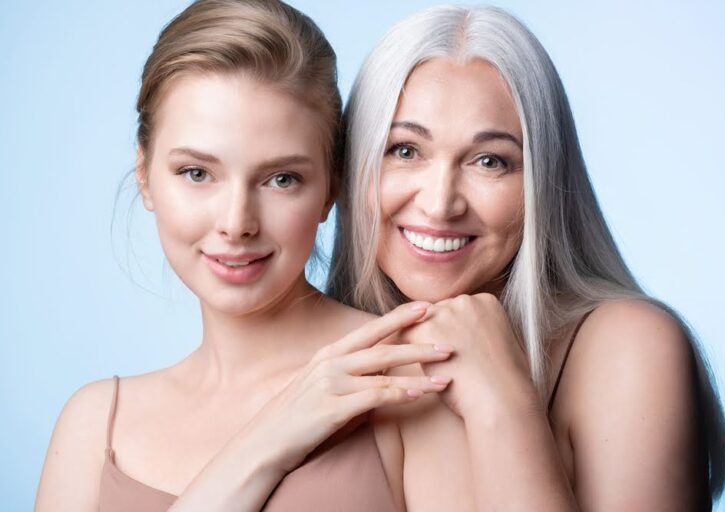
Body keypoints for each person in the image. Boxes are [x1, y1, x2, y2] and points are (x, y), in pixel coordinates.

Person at [35, 1, 455, 510]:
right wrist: (269, 440)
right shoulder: (94, 424)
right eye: (197, 173)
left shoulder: (405, 377)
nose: (237, 222)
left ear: (330, 190)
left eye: (282, 179)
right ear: (144, 175)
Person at [328, 5, 725, 511]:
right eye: (405, 150)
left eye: (490, 161)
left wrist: (504, 403)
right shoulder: (319, 349)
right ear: (351, 167)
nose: (440, 203)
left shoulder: (628, 347)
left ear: (542, 183)